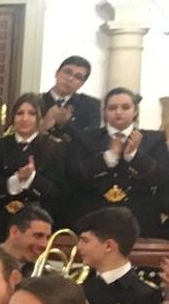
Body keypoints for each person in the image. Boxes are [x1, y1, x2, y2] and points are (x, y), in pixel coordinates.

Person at [67, 87, 169, 237]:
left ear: (135, 111)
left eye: (125, 107)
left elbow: (162, 178)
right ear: (104, 112)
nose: (119, 112)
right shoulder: (85, 138)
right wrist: (107, 158)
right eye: (112, 108)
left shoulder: (154, 139)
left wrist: (134, 156)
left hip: (140, 220)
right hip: (93, 218)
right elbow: (73, 176)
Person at [0, 94, 64, 237]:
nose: (24, 118)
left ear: (40, 118)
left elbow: (57, 190)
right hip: (0, 220)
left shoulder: (54, 147)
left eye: (32, 113)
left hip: (38, 219)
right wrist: (15, 181)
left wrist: (32, 178)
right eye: (20, 113)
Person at [40, 56, 101, 143]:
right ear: (56, 73)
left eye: (78, 77)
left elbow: (91, 141)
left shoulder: (91, 106)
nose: (70, 78)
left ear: (82, 83)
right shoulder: (36, 101)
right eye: (67, 72)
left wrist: (67, 124)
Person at [1, 204, 53, 275]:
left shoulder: (44, 270)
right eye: (38, 236)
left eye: (47, 238)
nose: (45, 244)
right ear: (14, 232)